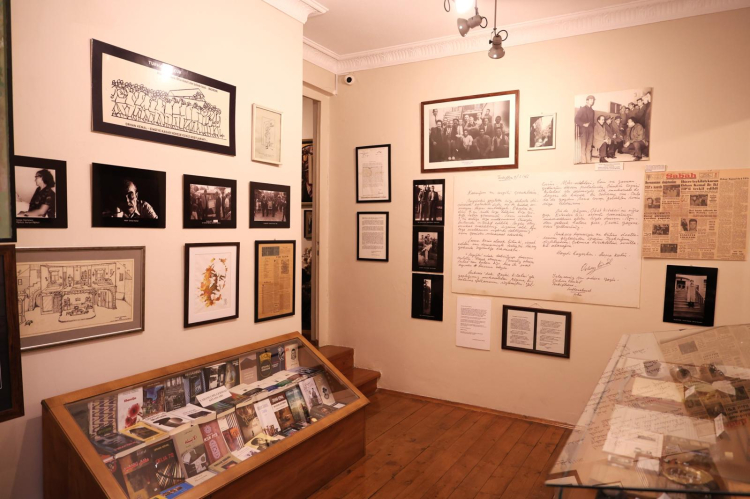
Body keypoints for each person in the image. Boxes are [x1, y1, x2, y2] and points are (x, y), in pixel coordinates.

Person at [575, 95, 596, 163]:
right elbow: (576, 119)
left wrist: (593, 127)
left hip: (590, 130)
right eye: (591, 99)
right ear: (587, 101)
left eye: (593, 100)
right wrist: (583, 124)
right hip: (583, 130)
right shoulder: (582, 109)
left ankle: (588, 161)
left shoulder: (592, 111)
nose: (592, 101)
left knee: (589, 146)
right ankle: (583, 161)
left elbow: (592, 122)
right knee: (583, 146)